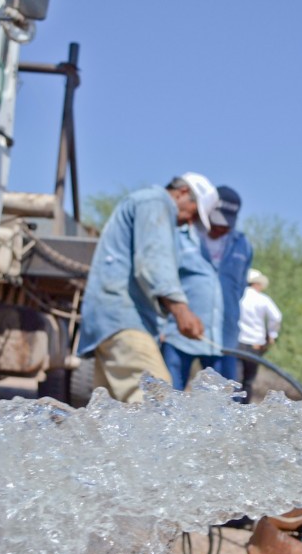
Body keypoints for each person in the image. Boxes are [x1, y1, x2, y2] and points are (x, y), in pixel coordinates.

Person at [78, 173, 219, 403]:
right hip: (123, 320)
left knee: (112, 416)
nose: (189, 222)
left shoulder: (146, 204)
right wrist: (181, 311)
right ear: (183, 193)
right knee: (157, 402)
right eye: (193, 213)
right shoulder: (156, 202)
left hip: (109, 320)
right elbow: (154, 262)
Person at [159, 220, 223, 391]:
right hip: (177, 335)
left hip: (219, 340)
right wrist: (163, 326)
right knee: (168, 395)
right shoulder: (177, 237)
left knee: (220, 403)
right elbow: (162, 279)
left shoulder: (239, 244)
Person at [199, 185, 253, 381]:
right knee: (168, 392)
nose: (220, 228)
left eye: (226, 224)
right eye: (216, 222)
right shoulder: (188, 237)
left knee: (228, 398)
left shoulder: (243, 245)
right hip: (183, 332)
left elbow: (239, 287)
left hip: (225, 333)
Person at [237, 268, 282, 402]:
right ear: (257, 284)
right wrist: (272, 334)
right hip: (255, 345)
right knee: (248, 381)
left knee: (233, 379)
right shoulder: (263, 299)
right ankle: (243, 413)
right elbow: (277, 317)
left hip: (236, 343)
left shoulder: (237, 296)